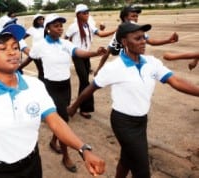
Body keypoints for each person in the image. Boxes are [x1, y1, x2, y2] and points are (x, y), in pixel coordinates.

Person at [0, 23, 106, 178]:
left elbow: (55, 122)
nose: (12, 52)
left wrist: (83, 149)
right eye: (2, 48)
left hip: (32, 163)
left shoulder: (35, 86)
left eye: (15, 47)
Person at [67, 22, 199, 178]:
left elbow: (175, 81)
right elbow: (90, 89)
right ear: (124, 42)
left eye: (144, 37)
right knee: (142, 171)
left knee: (127, 159)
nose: (143, 41)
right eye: (137, 38)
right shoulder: (113, 68)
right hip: (123, 123)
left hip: (141, 121)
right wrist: (74, 106)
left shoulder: (151, 62)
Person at [29, 13, 107, 173]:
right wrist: (14, 70)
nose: (60, 28)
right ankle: (66, 156)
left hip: (65, 86)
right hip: (50, 87)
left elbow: (79, 52)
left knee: (61, 118)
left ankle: (53, 141)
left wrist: (94, 53)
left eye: (61, 26)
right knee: (63, 119)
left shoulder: (65, 43)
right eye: (56, 26)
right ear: (48, 28)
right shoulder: (40, 45)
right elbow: (30, 58)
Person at [94, 5, 179, 75]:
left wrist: (168, 40)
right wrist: (98, 69)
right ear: (125, 18)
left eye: (137, 16)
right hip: (125, 66)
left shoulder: (138, 30)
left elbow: (151, 42)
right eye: (133, 16)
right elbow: (108, 52)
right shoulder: (120, 32)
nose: (136, 18)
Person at [65, 4, 116, 119]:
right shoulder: (73, 27)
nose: (87, 14)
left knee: (85, 81)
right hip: (77, 56)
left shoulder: (89, 25)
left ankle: (78, 106)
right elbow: (65, 39)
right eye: (84, 13)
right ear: (78, 14)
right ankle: (83, 108)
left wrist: (116, 30)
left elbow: (101, 34)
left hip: (86, 55)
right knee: (85, 81)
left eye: (88, 12)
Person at [19, 14, 45, 81]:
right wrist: (21, 46)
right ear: (36, 21)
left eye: (42, 19)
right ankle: (41, 84)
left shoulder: (46, 28)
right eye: (39, 19)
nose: (41, 21)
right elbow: (22, 37)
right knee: (41, 70)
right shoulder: (32, 29)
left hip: (45, 51)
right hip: (36, 52)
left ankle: (18, 69)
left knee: (45, 70)